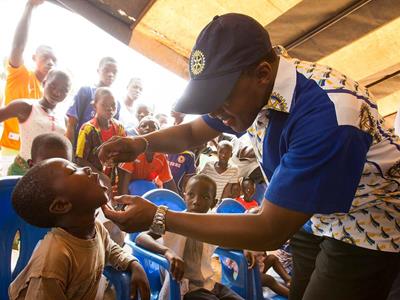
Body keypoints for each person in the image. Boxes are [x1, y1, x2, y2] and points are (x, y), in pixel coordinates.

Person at [98, 13, 400, 300]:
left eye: (219, 100)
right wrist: (139, 144)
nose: (215, 112)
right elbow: (192, 134)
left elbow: (269, 232)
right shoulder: (250, 90)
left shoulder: (328, 114)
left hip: (368, 220)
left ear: (263, 74)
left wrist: (159, 216)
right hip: (315, 216)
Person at [9, 158, 150, 300]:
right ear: (62, 205)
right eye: (72, 171)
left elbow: (111, 250)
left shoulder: (96, 229)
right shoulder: (54, 257)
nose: (87, 169)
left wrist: (134, 264)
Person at [135, 174, 242, 300]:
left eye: (204, 197)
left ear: (213, 203)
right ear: (184, 196)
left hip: (209, 285)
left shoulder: (211, 226)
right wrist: (168, 252)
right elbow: (141, 238)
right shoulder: (173, 222)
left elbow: (225, 242)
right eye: (191, 195)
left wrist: (244, 249)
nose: (196, 201)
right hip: (183, 288)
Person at [1, 0, 56, 164]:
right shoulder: (21, 74)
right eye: (46, 57)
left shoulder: (46, 94)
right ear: (34, 57)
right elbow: (18, 46)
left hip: (29, 158)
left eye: (54, 60)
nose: (50, 62)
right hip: (7, 151)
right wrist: (29, 7)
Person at [0, 69, 70, 175]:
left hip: (49, 176)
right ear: (44, 83)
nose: (57, 92)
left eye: (64, 90)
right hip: (21, 171)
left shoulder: (64, 118)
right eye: (53, 86)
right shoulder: (26, 107)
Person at [75, 87, 125, 190]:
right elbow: (79, 160)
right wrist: (101, 176)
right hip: (90, 180)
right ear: (94, 106)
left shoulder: (119, 128)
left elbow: (124, 154)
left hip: (111, 181)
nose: (110, 108)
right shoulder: (88, 129)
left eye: (113, 105)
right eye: (104, 105)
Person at [66, 57, 120, 147]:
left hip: (100, 154)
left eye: (114, 71)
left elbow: (114, 131)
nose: (110, 74)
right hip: (79, 149)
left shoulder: (116, 102)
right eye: (106, 70)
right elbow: (71, 123)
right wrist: (70, 151)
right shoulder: (86, 91)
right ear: (98, 70)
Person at [118, 116, 177, 194]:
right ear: (138, 130)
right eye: (143, 126)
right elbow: (124, 178)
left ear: (158, 132)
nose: (148, 128)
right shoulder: (132, 150)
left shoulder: (161, 155)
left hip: (147, 188)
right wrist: (123, 202)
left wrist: (179, 202)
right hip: (129, 188)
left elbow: (168, 181)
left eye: (153, 126)